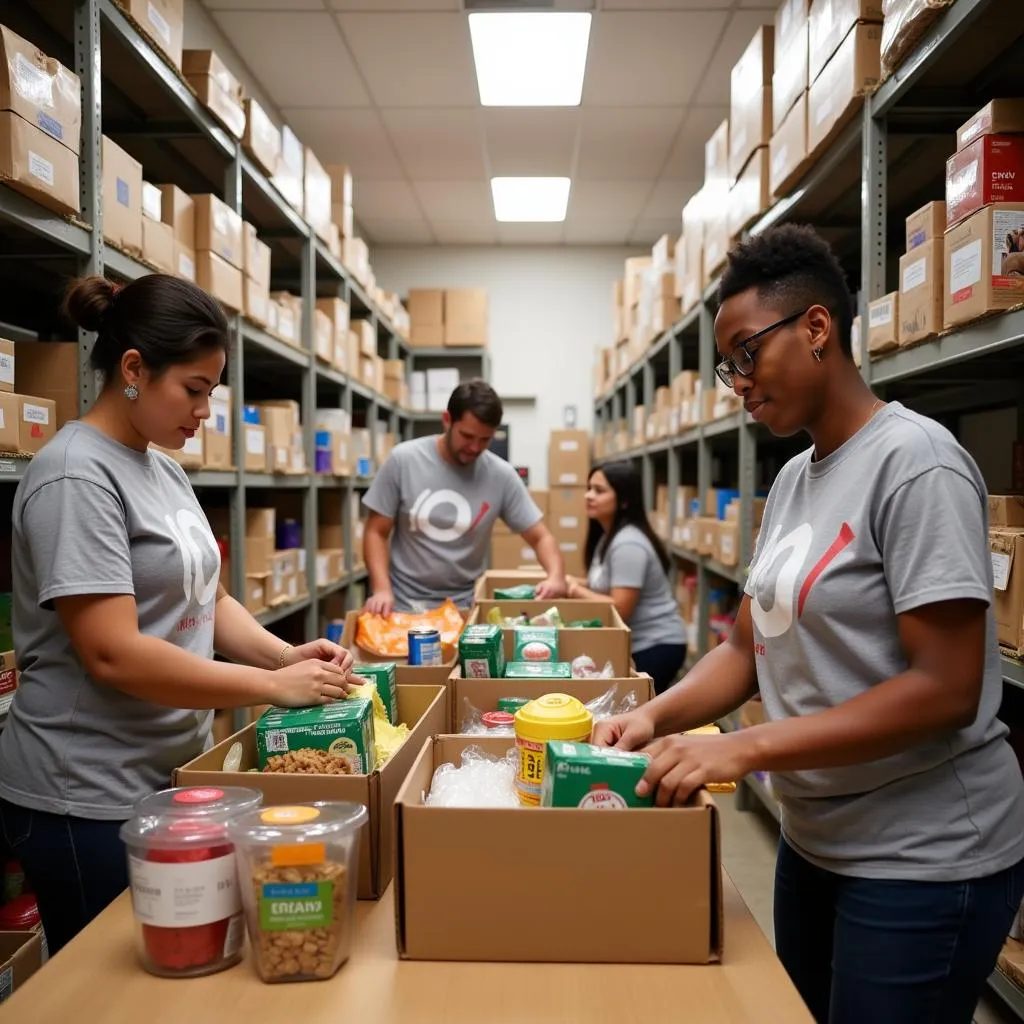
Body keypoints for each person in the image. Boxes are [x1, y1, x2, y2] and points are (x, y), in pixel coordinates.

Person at [593, 224, 1024, 1024]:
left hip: (921, 858)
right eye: (729, 369)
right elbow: (748, 645)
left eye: (747, 355)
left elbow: (947, 689)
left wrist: (740, 746)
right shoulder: (793, 479)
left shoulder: (916, 464)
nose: (739, 385)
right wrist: (651, 714)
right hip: (816, 839)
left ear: (817, 328)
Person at [0, 274, 361, 955]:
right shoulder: (77, 474)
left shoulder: (160, 467)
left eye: (212, 394)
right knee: (109, 993)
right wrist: (270, 688)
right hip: (85, 796)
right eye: (193, 391)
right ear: (133, 369)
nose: (204, 412)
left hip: (163, 779)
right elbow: (114, 652)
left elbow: (209, 597)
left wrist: (285, 656)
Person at [362, 380, 566, 614]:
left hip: (465, 607)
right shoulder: (403, 460)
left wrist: (556, 576)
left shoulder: (501, 475)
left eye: (485, 440)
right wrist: (381, 589)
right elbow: (376, 531)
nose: (474, 447)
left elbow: (541, 537)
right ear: (447, 420)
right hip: (402, 604)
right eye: (467, 436)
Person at [565, 461, 687, 693]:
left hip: (656, 645)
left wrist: (573, 590)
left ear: (624, 500)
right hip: (640, 643)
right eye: (589, 488)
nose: (589, 496)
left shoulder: (628, 543)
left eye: (599, 491)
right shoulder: (609, 535)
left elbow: (620, 608)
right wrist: (566, 582)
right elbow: (601, 586)